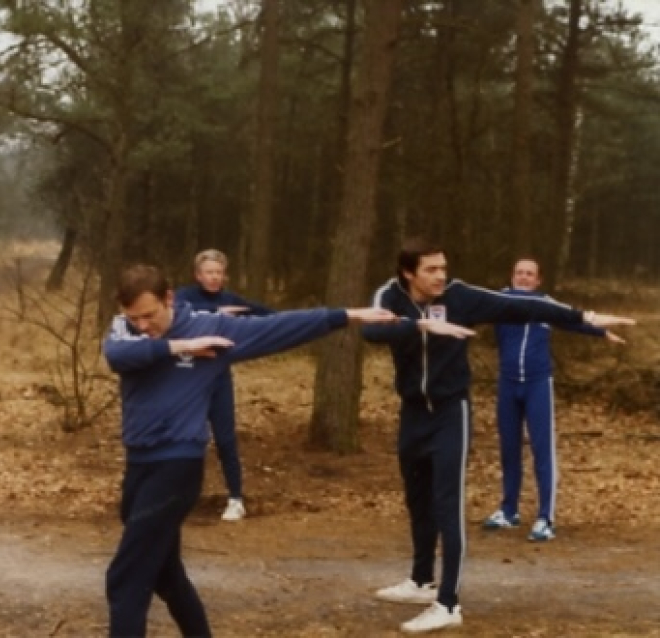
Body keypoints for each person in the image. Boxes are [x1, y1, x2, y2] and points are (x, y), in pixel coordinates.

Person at [102, 263, 398, 637]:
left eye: (149, 315)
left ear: (169, 299)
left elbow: (276, 328)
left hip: (177, 467)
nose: (142, 325)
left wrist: (346, 316)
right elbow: (117, 356)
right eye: (135, 318)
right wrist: (178, 346)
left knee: (125, 579)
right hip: (139, 465)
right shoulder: (123, 329)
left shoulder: (211, 328)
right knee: (165, 574)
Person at [361, 238, 634, 634]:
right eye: (431, 270)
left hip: (451, 413)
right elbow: (371, 330)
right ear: (408, 273)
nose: (441, 276)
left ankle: (448, 603)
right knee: (417, 500)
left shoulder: (461, 296)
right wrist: (417, 324)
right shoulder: (389, 294)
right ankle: (422, 581)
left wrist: (584, 318)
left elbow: (523, 305)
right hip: (413, 413)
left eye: (443, 267)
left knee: (446, 504)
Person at [483, 258, 624, 542]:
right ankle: (509, 510)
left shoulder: (546, 305)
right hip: (507, 384)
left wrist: (600, 332)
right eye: (519, 272)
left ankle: (545, 518)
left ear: (538, 280)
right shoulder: (499, 301)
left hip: (537, 384)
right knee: (508, 448)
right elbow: (467, 309)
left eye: (529, 274)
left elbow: (572, 319)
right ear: (512, 276)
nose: (523, 277)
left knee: (542, 449)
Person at [174, 249, 273, 521]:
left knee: (226, 438)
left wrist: (300, 322)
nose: (214, 277)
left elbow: (268, 315)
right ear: (198, 275)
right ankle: (181, 498)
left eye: (219, 272)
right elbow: (175, 313)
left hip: (219, 377)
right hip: (188, 378)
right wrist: (216, 312)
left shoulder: (232, 300)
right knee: (188, 439)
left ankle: (236, 498)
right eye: (209, 272)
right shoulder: (184, 297)